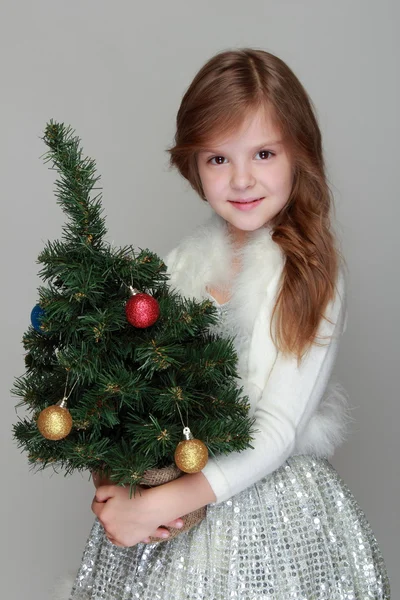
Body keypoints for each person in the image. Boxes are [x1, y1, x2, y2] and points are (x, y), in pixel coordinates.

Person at [63, 48, 390, 599]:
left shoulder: (311, 275)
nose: (241, 179)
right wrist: (116, 486)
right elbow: (130, 397)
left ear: (299, 154)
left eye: (263, 153)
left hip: (270, 513)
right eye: (218, 159)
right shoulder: (178, 268)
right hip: (170, 500)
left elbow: (277, 431)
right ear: (193, 164)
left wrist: (160, 506)